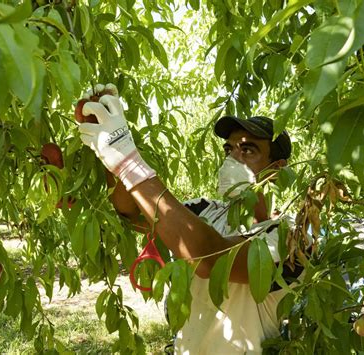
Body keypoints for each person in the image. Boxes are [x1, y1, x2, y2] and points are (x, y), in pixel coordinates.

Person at [77, 86, 296, 354]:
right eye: (229, 150)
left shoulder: (290, 236)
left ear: (278, 169)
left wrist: (129, 161)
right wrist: (110, 151)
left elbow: (210, 258)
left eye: (248, 151)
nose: (233, 158)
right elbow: (133, 212)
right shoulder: (205, 210)